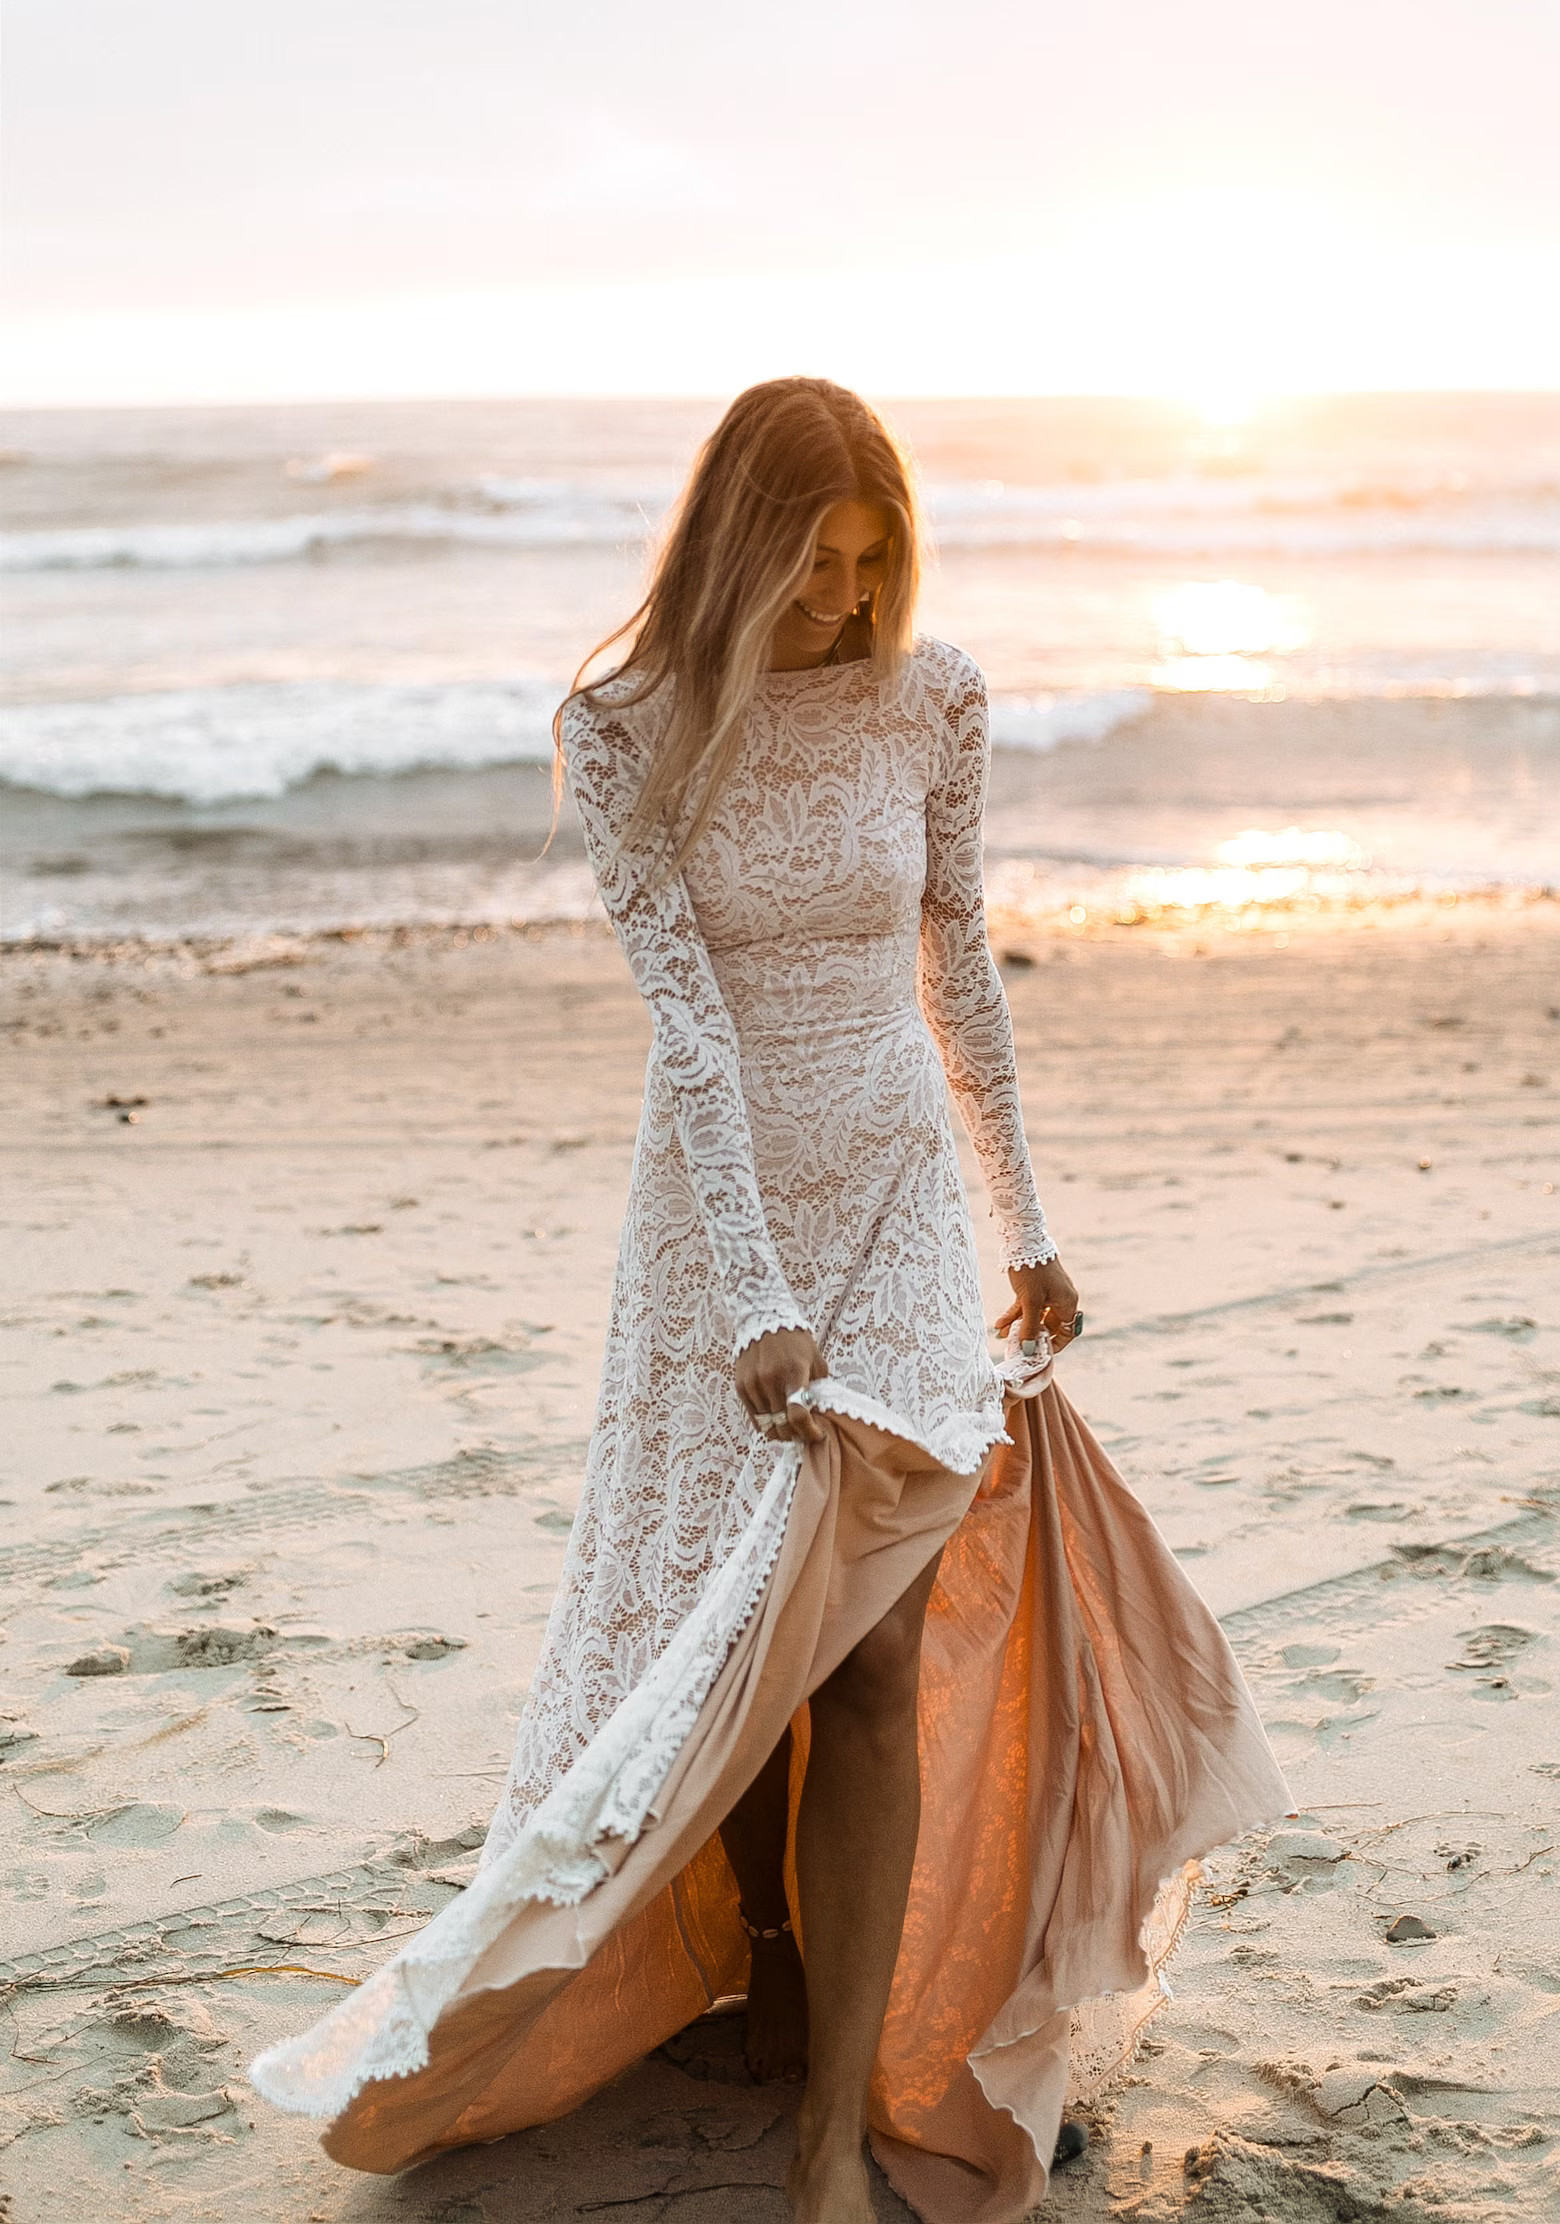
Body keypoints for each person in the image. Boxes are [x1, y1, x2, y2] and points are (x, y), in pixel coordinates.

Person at [252, 378, 1287, 2224]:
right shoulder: (624, 728)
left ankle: (826, 2132)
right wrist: (747, 1295)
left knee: (867, 1642)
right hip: (717, 1216)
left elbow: (956, 959)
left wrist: (1024, 1220)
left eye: (871, 563)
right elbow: (692, 1030)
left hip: (897, 1192)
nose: (842, 598)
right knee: (738, 1619)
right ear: (738, 543)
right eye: (814, 564)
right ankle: (776, 1954)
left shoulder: (934, 695)